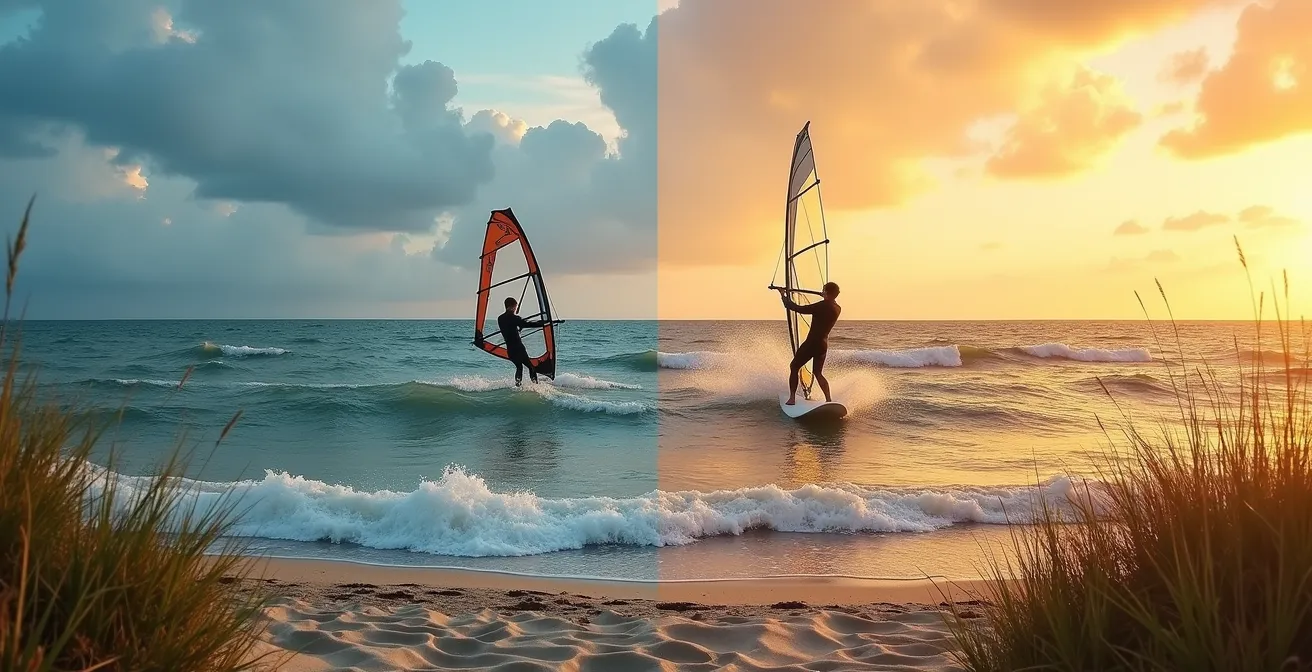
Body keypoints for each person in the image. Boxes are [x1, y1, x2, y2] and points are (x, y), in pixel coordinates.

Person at [775, 282, 841, 405]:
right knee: (818, 373)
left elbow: (796, 308)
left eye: (823, 290)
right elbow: (827, 304)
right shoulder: (837, 308)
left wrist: (783, 295)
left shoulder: (822, 306)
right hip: (823, 345)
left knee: (794, 367)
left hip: (812, 343)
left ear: (826, 292)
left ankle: (792, 398)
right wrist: (826, 296)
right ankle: (828, 399)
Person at [499, 297, 549, 386]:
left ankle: (518, 385)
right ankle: (536, 386)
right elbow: (527, 324)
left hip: (510, 349)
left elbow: (512, 325)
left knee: (519, 367)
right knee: (531, 367)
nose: (515, 309)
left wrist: (519, 324)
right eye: (515, 307)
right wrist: (543, 323)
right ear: (511, 307)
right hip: (518, 348)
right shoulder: (514, 318)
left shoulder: (500, 319)